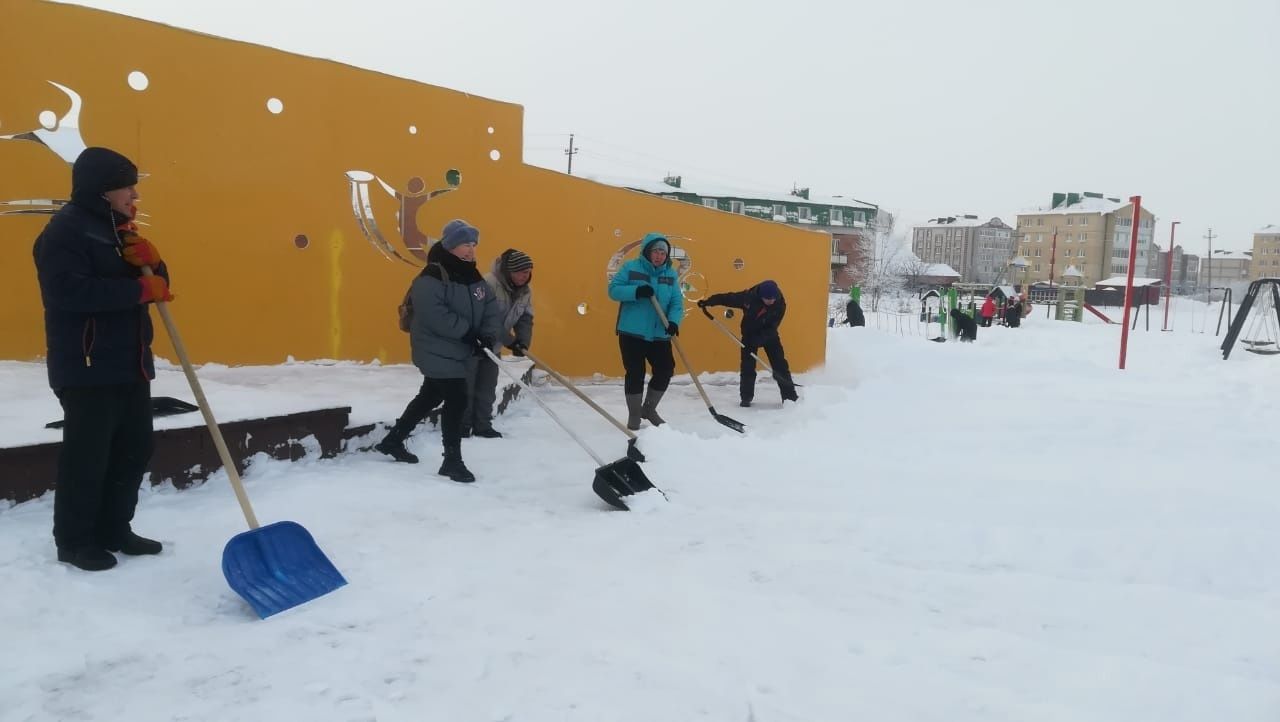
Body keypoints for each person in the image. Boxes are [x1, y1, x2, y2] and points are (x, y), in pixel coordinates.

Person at [32, 147, 171, 572]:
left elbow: (158, 285)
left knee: (134, 447)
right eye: (127, 187)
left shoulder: (120, 233)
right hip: (87, 365)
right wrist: (138, 291)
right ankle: (74, 541)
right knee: (88, 457)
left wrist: (155, 264)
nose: (134, 196)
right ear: (103, 190)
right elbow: (69, 294)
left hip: (131, 362)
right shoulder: (64, 234)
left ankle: (114, 529)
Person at [375, 219, 500, 483]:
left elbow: (489, 304)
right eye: (465, 244)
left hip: (459, 348)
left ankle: (392, 441)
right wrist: (467, 332)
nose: (471, 250)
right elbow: (434, 314)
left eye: (474, 244)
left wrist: (487, 334)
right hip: (434, 348)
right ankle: (452, 461)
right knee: (457, 399)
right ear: (451, 245)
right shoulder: (432, 275)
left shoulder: (473, 275)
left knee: (430, 396)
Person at [607, 232, 684, 430]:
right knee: (635, 373)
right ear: (647, 251)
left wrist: (674, 322)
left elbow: (676, 302)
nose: (659, 256)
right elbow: (613, 291)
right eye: (656, 251)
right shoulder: (631, 268)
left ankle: (648, 409)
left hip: (660, 333)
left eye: (663, 252)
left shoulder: (670, 274)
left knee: (665, 369)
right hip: (632, 332)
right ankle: (634, 415)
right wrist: (636, 291)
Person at [461, 248, 534, 438]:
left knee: (487, 388)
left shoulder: (525, 291)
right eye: (519, 272)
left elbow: (525, 317)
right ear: (509, 272)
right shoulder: (487, 284)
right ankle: (461, 426)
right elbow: (488, 319)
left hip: (493, 347)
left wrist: (523, 342)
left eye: (527, 272)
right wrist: (511, 341)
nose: (523, 276)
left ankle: (482, 425)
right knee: (466, 387)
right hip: (472, 344)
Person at [699, 280, 798, 407]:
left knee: (780, 365)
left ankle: (790, 397)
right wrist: (710, 302)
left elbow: (773, 326)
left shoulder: (779, 304)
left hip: (769, 335)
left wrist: (759, 339)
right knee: (747, 368)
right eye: (768, 299)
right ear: (761, 296)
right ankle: (746, 397)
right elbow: (729, 298)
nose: (771, 301)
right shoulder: (748, 298)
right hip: (749, 335)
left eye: (772, 299)